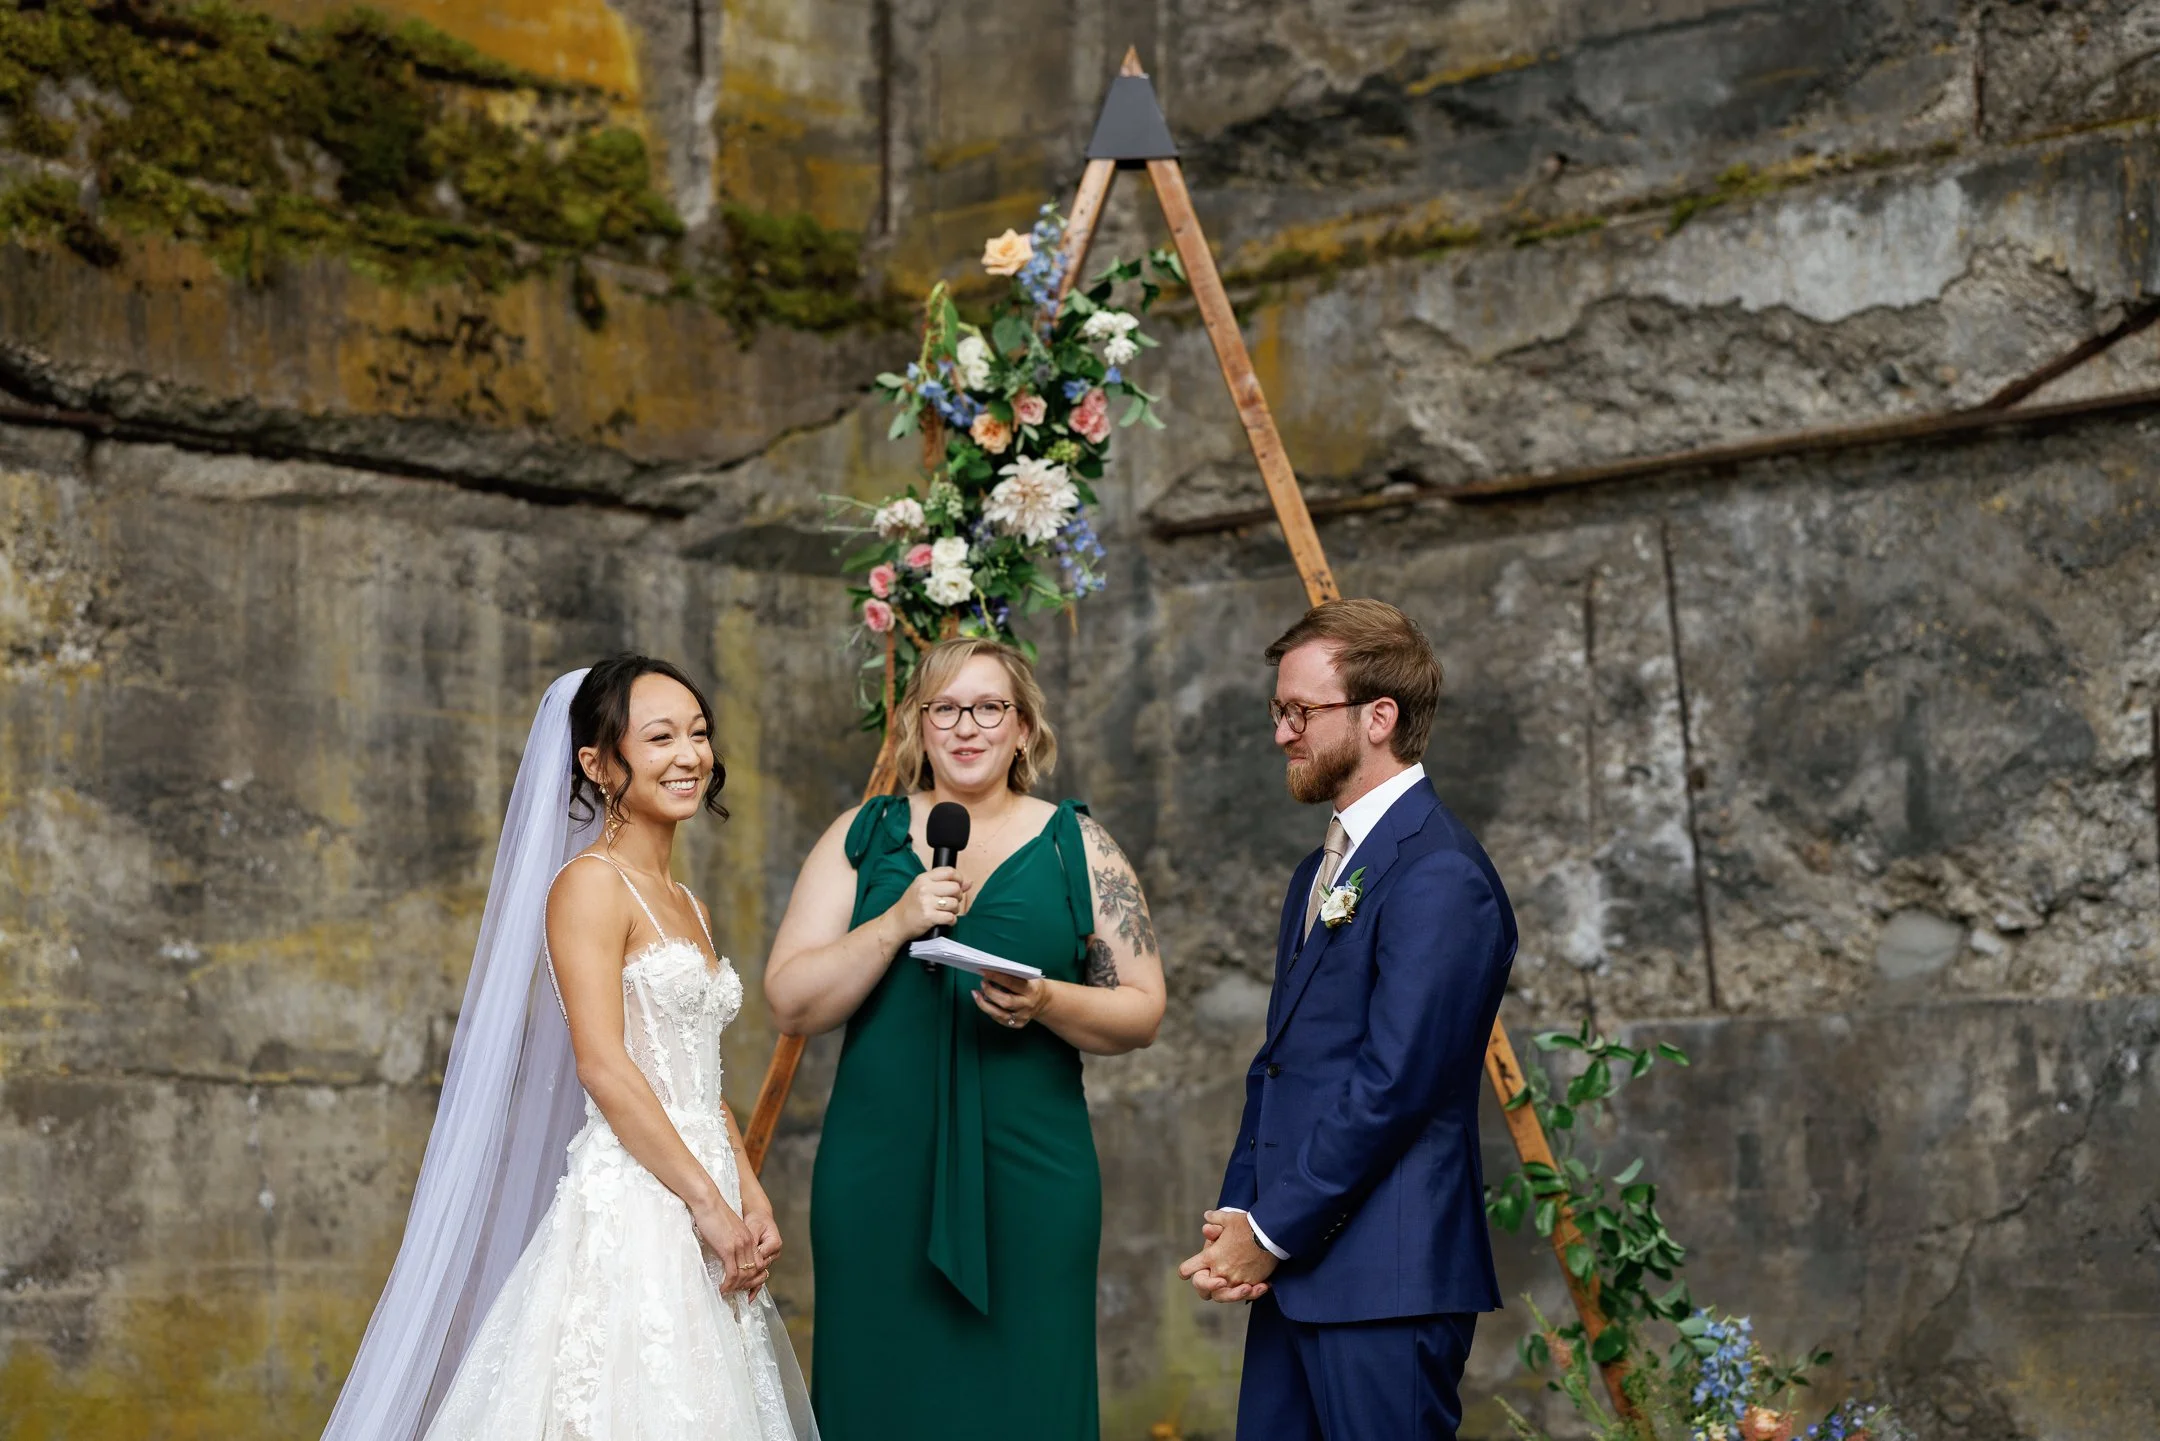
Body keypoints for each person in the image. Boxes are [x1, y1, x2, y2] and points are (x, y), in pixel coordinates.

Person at [321, 657, 815, 1441]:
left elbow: (693, 1075)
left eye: (698, 733)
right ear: (596, 762)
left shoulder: (691, 902)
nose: (689, 755)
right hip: (643, 1195)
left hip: (703, 1183)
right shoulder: (588, 884)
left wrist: (747, 1191)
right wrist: (706, 1201)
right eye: (659, 737)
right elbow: (606, 1065)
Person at [764, 635, 1166, 1441]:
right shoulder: (863, 833)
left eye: (989, 707)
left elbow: (1144, 1008)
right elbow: (791, 1001)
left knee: (1027, 1397)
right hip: (881, 1167)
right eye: (944, 707)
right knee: (881, 1393)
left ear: (1023, 726)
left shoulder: (1078, 845)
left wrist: (1049, 998)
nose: (966, 727)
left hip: (1033, 1169)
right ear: (919, 723)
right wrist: (896, 922)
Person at [1179, 600, 1518, 1441]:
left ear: (1379, 717)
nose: (1282, 732)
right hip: (1296, 1269)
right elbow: (1285, 1062)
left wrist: (1270, 1226)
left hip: (1386, 1281)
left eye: (1301, 711)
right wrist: (1240, 1218)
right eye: (1278, 709)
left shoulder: (1440, 873)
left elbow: (1395, 1085)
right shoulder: (1320, 871)